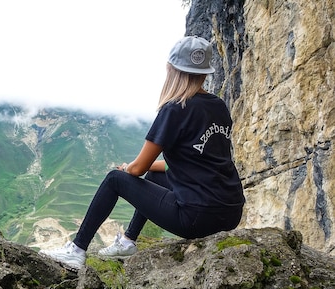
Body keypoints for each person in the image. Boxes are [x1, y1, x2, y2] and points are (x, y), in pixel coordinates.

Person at [39, 36, 245, 270]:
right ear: (205, 72)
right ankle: (128, 241)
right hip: (230, 213)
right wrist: (144, 167)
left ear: (172, 70)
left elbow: (137, 169)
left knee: (114, 180)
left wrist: (127, 169)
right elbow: (193, 163)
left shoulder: (176, 109)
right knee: (155, 176)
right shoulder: (218, 106)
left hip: (197, 218)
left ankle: (76, 250)